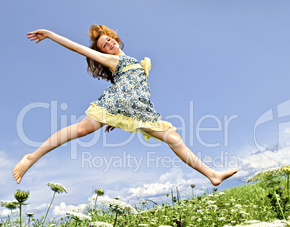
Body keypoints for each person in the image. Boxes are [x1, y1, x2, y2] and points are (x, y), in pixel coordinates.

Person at [13, 24, 237, 185]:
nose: (108, 43)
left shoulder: (131, 61)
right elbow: (78, 48)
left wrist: (118, 119)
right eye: (103, 45)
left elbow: (134, 90)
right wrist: (50, 34)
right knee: (80, 129)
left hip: (137, 110)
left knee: (174, 138)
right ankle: (31, 158)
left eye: (109, 39)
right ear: (103, 52)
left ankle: (211, 175)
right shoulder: (114, 60)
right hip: (115, 103)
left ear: (116, 38)